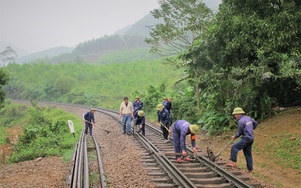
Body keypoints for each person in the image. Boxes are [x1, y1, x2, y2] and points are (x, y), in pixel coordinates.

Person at [227, 107, 258, 172]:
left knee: (234, 147)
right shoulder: (248, 118)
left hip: (246, 138)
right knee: (247, 153)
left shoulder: (241, 121)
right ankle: (250, 169)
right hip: (251, 138)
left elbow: (240, 131)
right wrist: (251, 129)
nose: (235, 116)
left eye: (235, 114)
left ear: (239, 114)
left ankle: (233, 163)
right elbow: (255, 123)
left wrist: (235, 136)